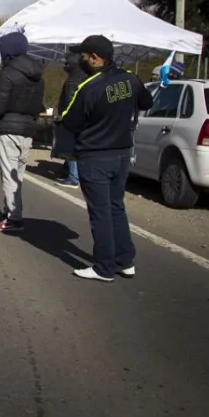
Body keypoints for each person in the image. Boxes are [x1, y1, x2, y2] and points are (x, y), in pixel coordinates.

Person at [61, 35, 152, 281]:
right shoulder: (131, 79)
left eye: (83, 56)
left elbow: (69, 120)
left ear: (95, 57)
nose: (80, 60)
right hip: (122, 153)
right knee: (116, 207)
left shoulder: (89, 87)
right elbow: (147, 101)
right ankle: (125, 260)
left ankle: (104, 266)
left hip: (95, 156)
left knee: (100, 212)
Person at [0, 31, 45, 233]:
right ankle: (14, 212)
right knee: (18, 175)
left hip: (8, 128)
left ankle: (13, 218)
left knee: (8, 174)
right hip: (28, 129)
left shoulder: (8, 73)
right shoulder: (38, 75)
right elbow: (38, 106)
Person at [52, 52, 89, 188]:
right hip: (81, 119)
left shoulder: (73, 80)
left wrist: (64, 116)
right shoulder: (83, 76)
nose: (64, 66)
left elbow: (69, 100)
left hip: (72, 119)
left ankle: (73, 177)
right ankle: (71, 172)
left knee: (71, 147)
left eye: (66, 63)